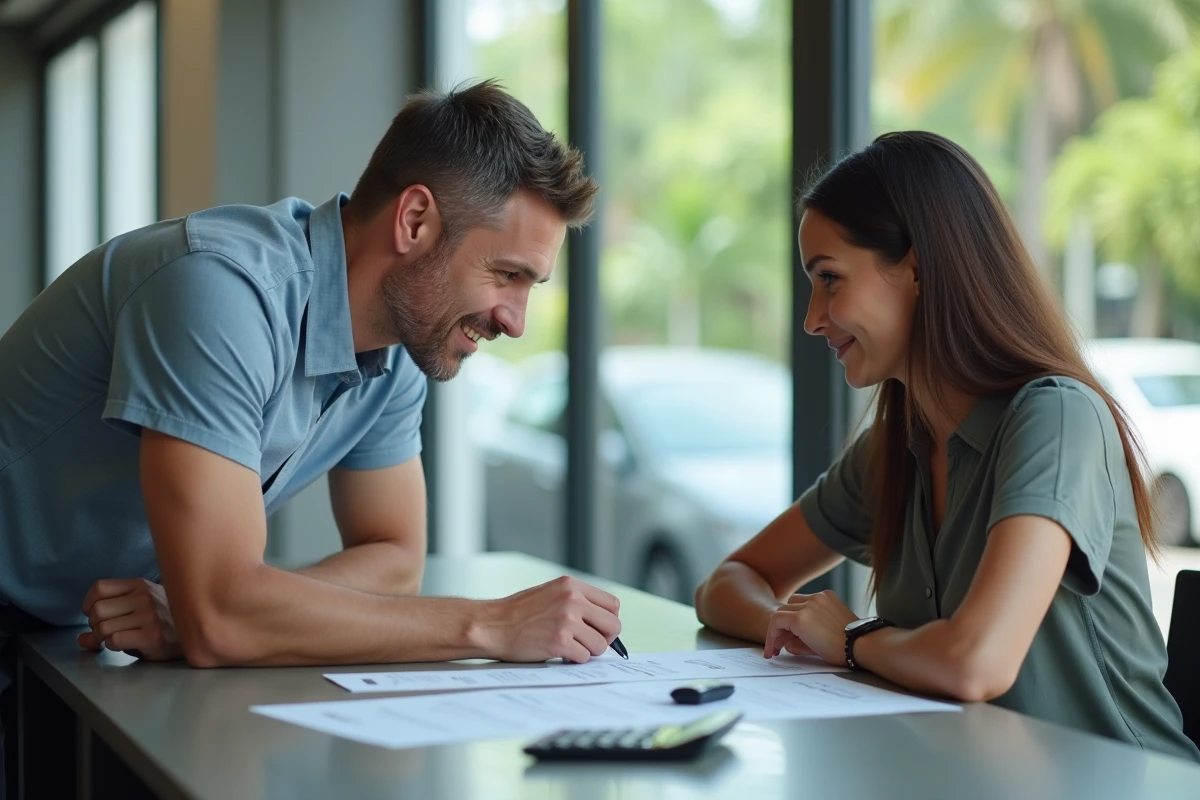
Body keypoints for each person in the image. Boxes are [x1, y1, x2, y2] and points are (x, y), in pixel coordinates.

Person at [0, 80, 621, 797]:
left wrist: (223, 610)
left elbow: (392, 561)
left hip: (55, 636)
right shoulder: (218, 290)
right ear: (415, 219)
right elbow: (224, 620)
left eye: (531, 286)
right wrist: (491, 627)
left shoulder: (395, 357)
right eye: (507, 275)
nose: (515, 320)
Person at [694, 130, 1200, 762]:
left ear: (917, 269)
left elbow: (976, 663)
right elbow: (727, 582)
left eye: (830, 279)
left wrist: (850, 637)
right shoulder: (894, 447)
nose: (812, 318)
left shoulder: (1056, 418)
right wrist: (794, 625)